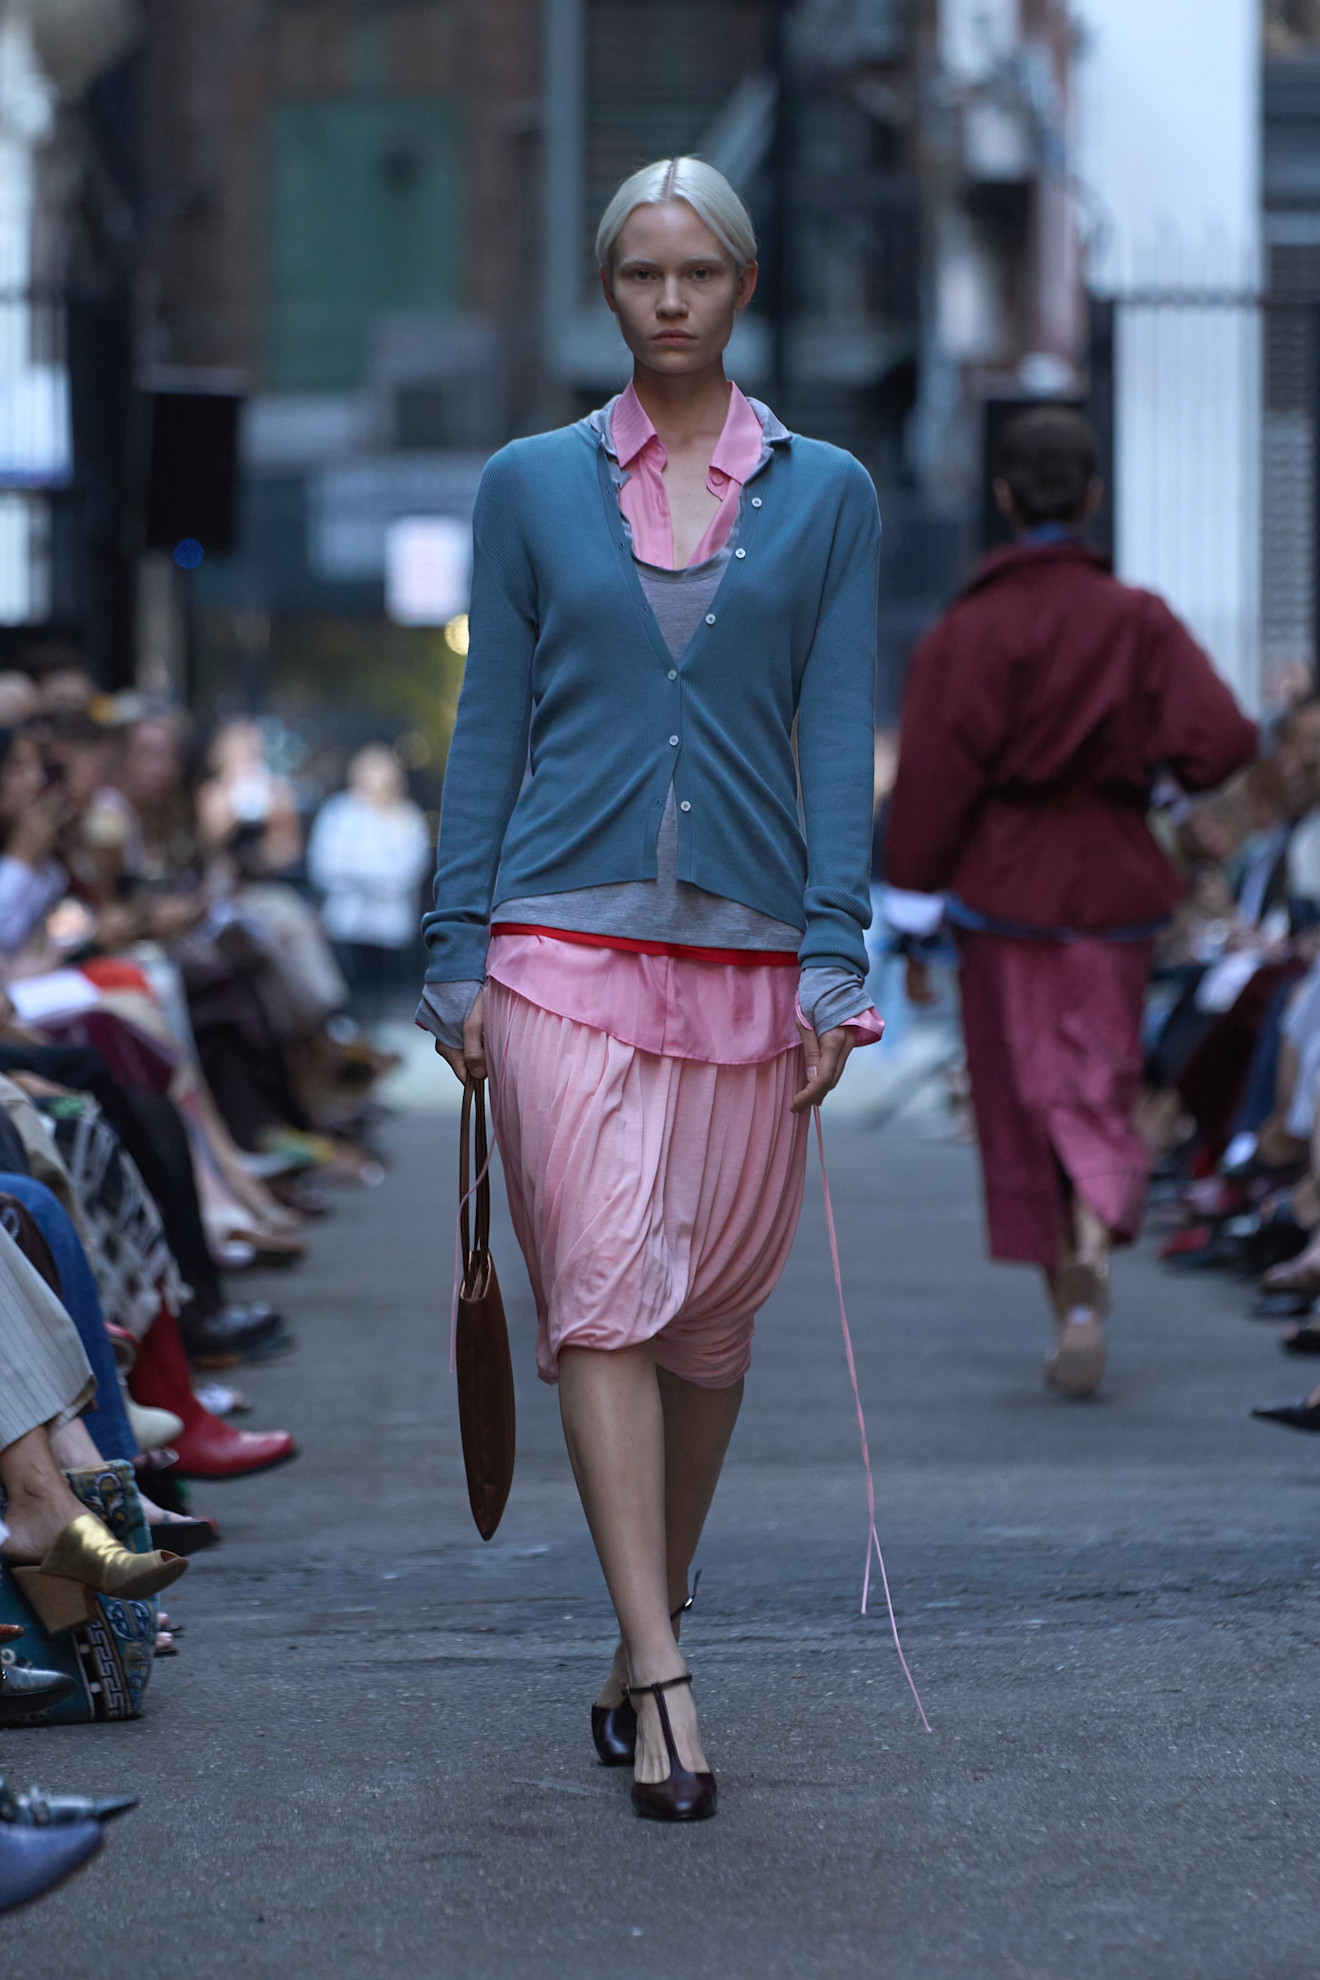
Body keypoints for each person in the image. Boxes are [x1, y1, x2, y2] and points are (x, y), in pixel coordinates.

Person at [418, 156, 883, 1823]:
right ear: (607, 293)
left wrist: (839, 952)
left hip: (752, 950)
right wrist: (453, 945)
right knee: (601, 1289)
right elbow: (493, 727)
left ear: (741, 286)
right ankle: (668, 1678)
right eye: (638, 276)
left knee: (708, 1321)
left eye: (696, 273)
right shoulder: (531, 485)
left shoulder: (826, 495)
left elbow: (835, 730)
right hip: (555, 941)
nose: (667, 300)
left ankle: (641, 1630)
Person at [886, 405, 1257, 1399]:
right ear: (1092, 498)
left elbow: (931, 783)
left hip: (1002, 888)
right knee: (1097, 1081)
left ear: (1004, 500)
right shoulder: (1138, 618)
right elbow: (1222, 738)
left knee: (1020, 1099)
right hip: (1114, 883)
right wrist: (1164, 782)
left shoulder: (966, 631)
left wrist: (912, 914)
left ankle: (1071, 1305)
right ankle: (1096, 1264)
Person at [308, 744, 431, 1014]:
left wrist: (358, 874)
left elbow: (406, 873)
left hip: (390, 929)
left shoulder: (407, 817)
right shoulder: (338, 812)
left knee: (384, 998)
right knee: (346, 994)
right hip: (344, 925)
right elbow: (325, 866)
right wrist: (375, 876)